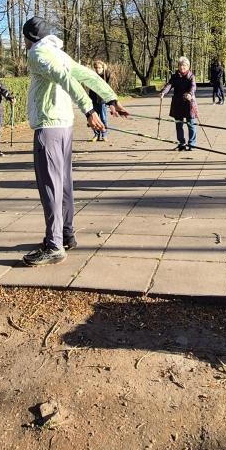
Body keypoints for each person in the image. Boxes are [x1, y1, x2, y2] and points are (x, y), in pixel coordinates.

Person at [21, 17, 130, 267]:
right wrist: (111, 99)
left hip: (49, 128)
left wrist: (90, 110)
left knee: (51, 187)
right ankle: (66, 235)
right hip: (64, 126)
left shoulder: (38, 54)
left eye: (25, 38)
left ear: (31, 37)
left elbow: (67, 78)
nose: (24, 42)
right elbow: (87, 76)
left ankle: (54, 245)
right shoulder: (58, 53)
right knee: (65, 184)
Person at [161, 56, 199, 150]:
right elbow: (169, 85)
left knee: (191, 124)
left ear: (188, 66)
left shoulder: (191, 76)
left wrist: (190, 94)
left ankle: (192, 144)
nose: (182, 67)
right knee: (179, 125)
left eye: (184, 66)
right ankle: (181, 143)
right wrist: (163, 92)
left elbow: (193, 87)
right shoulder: (175, 76)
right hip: (178, 103)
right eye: (180, 65)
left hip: (189, 103)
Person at [88, 59, 111, 142]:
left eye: (99, 68)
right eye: (96, 68)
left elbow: (109, 86)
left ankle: (104, 134)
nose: (98, 69)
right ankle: (96, 135)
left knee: (103, 119)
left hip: (102, 100)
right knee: (95, 118)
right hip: (93, 100)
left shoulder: (106, 75)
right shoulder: (93, 76)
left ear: (103, 68)